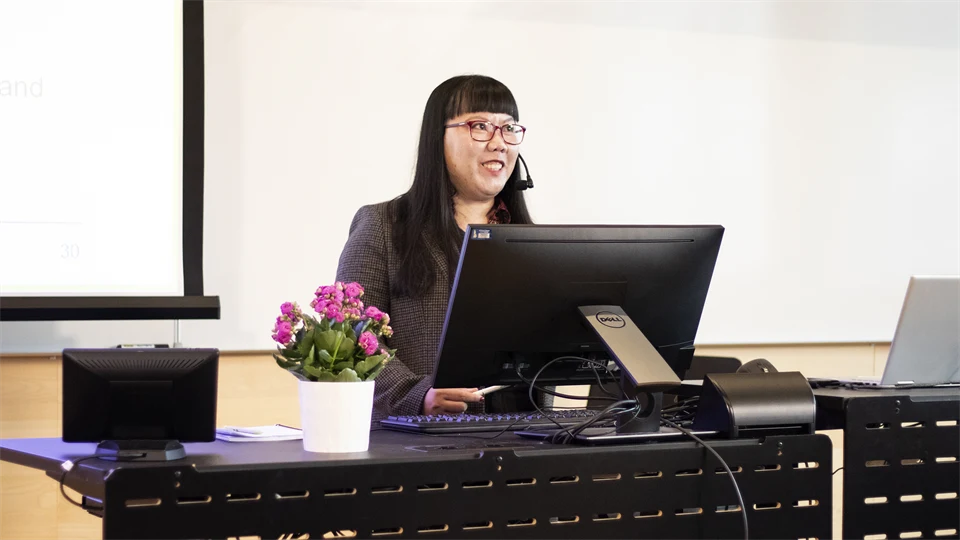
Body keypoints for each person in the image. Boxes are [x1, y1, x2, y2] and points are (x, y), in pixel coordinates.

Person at [335, 74, 534, 423]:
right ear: (437, 139)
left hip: (528, 439)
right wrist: (416, 396)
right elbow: (352, 335)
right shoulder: (383, 226)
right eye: (480, 126)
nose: (499, 143)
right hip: (420, 445)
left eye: (508, 128)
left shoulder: (531, 241)